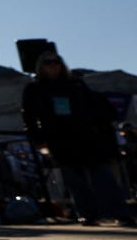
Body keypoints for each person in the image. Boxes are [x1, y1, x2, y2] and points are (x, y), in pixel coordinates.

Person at [21, 51, 136, 227]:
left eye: (56, 61)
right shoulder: (34, 89)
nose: (53, 65)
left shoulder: (75, 84)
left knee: (103, 176)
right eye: (48, 62)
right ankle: (87, 213)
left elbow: (95, 106)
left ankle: (119, 213)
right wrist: (38, 139)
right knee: (75, 180)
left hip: (87, 136)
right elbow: (29, 116)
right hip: (60, 138)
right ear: (40, 67)